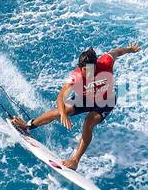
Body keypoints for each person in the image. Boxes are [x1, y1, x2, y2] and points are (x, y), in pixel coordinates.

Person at [10, 43, 141, 169]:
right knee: (60, 111)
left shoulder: (105, 61)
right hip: (85, 98)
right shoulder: (75, 77)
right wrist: (63, 114)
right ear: (80, 67)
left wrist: (130, 49)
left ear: (96, 65)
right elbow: (60, 97)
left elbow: (117, 52)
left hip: (105, 101)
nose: (89, 72)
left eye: (92, 68)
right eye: (86, 70)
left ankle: (75, 161)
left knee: (88, 122)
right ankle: (28, 126)